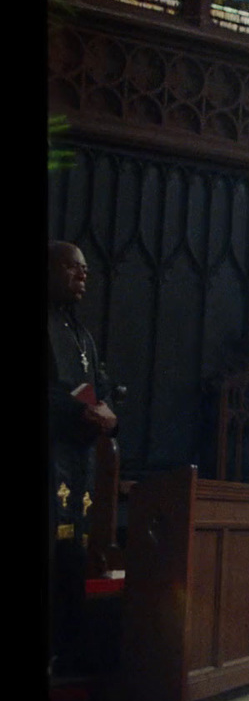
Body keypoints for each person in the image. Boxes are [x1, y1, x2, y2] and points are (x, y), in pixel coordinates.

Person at [46, 241, 118, 678]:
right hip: (52, 454)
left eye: (86, 271)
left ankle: (70, 649)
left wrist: (109, 414)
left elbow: (100, 385)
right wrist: (79, 410)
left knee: (75, 548)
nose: (83, 277)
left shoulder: (81, 335)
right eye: (73, 269)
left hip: (80, 461)